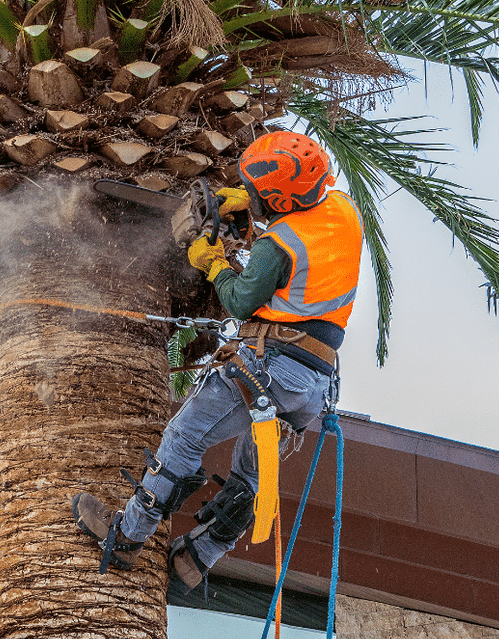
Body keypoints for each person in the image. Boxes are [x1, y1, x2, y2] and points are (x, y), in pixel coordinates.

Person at [73, 130, 364, 593]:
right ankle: (195, 559)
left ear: (276, 198)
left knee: (185, 436)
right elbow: (306, 248)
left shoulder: (278, 245)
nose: (246, 195)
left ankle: (126, 535)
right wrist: (246, 206)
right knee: (249, 473)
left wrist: (213, 262)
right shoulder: (345, 212)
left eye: (254, 191)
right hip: (313, 381)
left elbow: (241, 300)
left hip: (268, 368)